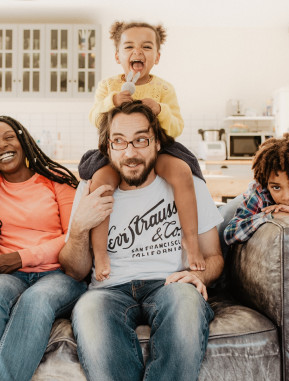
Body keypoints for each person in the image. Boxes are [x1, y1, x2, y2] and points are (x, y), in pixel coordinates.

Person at [59, 101, 224, 381]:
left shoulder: (189, 184)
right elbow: (74, 270)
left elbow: (215, 257)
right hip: (107, 291)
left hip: (171, 283)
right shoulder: (91, 190)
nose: (131, 153)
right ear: (108, 147)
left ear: (157, 142)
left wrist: (200, 276)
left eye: (140, 140)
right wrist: (78, 229)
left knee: (186, 301)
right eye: (119, 142)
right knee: (89, 312)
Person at [0, 116, 89, 381]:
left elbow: (73, 236)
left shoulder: (56, 179)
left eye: (8, 137)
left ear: (23, 139)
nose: (1, 146)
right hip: (9, 276)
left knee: (36, 300)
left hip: (59, 273)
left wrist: (20, 258)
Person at [81, 20, 206, 282]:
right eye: (129, 46)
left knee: (183, 172)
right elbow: (95, 117)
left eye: (146, 47)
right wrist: (112, 102)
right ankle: (101, 252)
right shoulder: (108, 86)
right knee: (101, 182)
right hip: (117, 150)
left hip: (159, 148)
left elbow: (177, 127)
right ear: (118, 56)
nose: (138, 52)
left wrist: (160, 110)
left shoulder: (164, 89)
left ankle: (191, 239)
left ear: (157, 57)